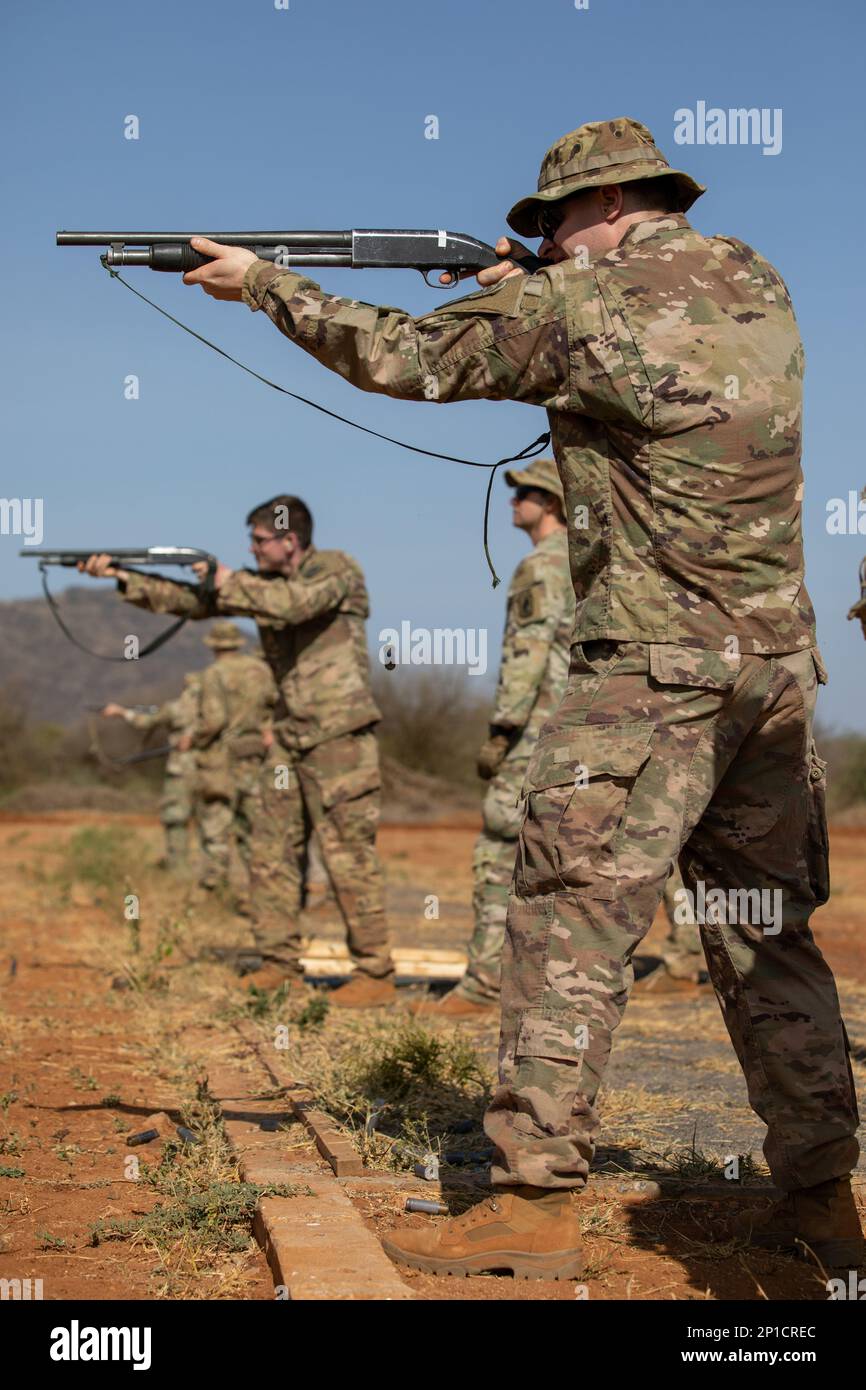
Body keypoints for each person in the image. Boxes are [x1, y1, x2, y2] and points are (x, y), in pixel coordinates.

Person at [174, 116, 862, 1273]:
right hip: (774, 672)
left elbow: (401, 356)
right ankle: (822, 1200)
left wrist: (264, 286)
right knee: (761, 937)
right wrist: (522, 280)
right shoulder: (753, 278)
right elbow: (638, 353)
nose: (538, 240)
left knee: (563, 924)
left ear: (589, 210)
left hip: (650, 671)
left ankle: (532, 1206)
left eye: (545, 223)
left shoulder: (573, 303)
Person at [79, 494, 395, 1008]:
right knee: (269, 851)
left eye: (258, 539)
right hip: (288, 739)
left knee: (348, 856)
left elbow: (294, 604)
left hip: (339, 737)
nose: (250, 548)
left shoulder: (338, 570)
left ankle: (375, 974)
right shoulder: (261, 586)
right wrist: (121, 576)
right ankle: (279, 963)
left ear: (289, 540)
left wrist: (225, 577)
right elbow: (194, 602)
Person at [414, 458, 573, 1018]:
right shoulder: (589, 563)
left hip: (535, 728)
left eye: (524, 493)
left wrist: (503, 729)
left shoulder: (541, 566)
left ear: (550, 503)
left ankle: (484, 983)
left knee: (499, 845)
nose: (513, 502)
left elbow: (526, 656)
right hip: (580, 728)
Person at [191, 621, 275, 905]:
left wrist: (195, 739)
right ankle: (260, 892)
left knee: (217, 818)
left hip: (223, 756)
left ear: (213, 645)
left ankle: (214, 887)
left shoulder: (214, 674)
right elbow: (272, 708)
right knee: (253, 823)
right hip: (256, 754)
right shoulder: (260, 670)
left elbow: (213, 720)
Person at [102, 672, 202, 872]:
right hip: (212, 770)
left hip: (181, 771)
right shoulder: (215, 710)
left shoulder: (177, 707)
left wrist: (122, 712)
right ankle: (212, 870)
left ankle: (179, 870)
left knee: (176, 818)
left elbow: (145, 721)